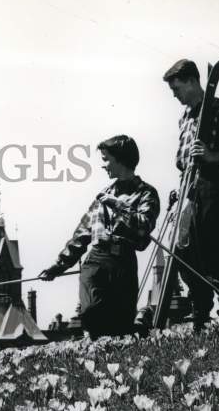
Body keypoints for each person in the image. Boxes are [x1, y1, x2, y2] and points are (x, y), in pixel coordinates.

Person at [40, 135, 160, 339]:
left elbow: (144, 225)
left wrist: (118, 205)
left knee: (121, 324)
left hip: (124, 262)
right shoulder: (102, 196)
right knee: (92, 312)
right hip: (96, 260)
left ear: (121, 159)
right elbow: (82, 234)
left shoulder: (146, 193)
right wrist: (59, 265)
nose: (103, 165)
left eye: (106, 159)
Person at [163, 59, 219, 330]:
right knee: (186, 250)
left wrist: (212, 156)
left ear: (191, 81)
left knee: (218, 246)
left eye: (177, 88)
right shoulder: (185, 117)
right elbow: (183, 159)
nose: (175, 95)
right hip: (187, 188)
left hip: (213, 185)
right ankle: (200, 311)